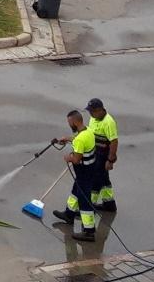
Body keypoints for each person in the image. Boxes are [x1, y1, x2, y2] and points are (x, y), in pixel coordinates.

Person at [58, 108, 103, 242]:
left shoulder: (79, 140)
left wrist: (68, 158)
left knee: (84, 202)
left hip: (84, 171)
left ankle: (89, 231)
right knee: (76, 191)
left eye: (69, 123)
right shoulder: (88, 131)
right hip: (90, 170)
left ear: (75, 122)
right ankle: (69, 214)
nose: (69, 125)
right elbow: (79, 139)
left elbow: (77, 159)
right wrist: (68, 139)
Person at [85, 98, 121, 212]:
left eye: (92, 111)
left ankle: (90, 204)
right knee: (104, 179)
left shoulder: (109, 122)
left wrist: (110, 160)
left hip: (103, 155)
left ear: (100, 110)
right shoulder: (93, 118)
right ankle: (109, 204)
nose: (90, 113)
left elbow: (114, 142)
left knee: (96, 179)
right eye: (89, 111)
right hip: (95, 152)